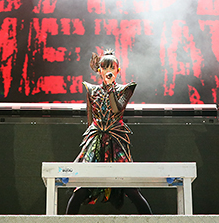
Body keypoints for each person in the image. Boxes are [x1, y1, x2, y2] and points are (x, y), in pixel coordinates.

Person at [64, 50, 153, 214]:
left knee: (130, 189)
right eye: (105, 67)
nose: (109, 70)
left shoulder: (125, 89)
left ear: (118, 70)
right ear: (99, 71)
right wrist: (90, 142)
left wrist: (111, 88)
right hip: (96, 142)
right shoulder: (91, 90)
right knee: (81, 189)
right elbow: (90, 119)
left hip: (116, 142)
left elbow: (116, 108)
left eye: (112, 67)